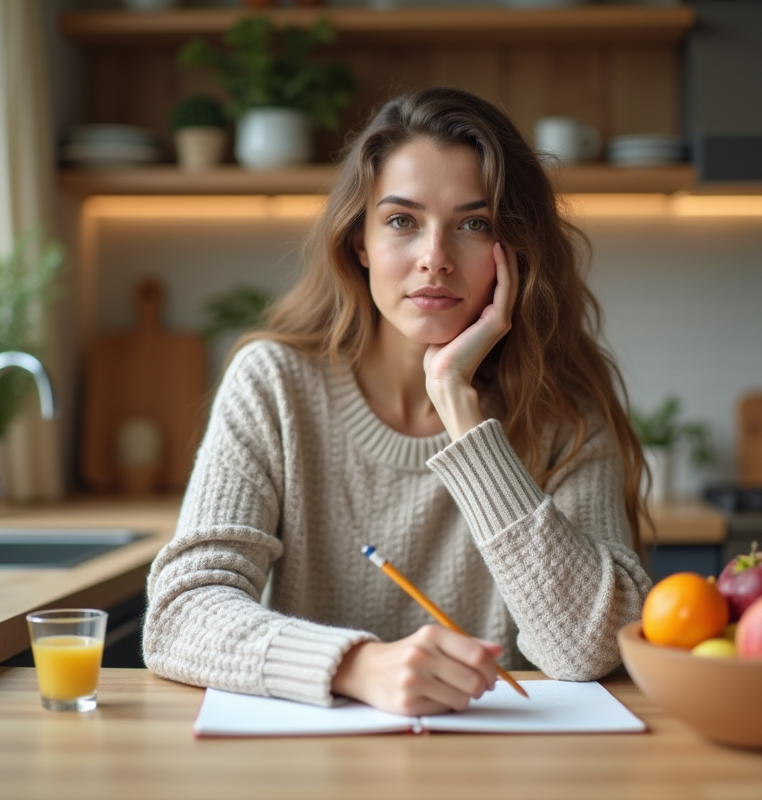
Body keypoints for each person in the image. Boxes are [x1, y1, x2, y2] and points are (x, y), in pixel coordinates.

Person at [143, 87, 653, 716]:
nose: (434, 259)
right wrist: (358, 665)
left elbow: (591, 647)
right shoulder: (274, 383)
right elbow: (180, 613)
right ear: (360, 240)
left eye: (474, 224)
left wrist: (464, 420)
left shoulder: (562, 413)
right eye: (402, 221)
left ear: (514, 251)